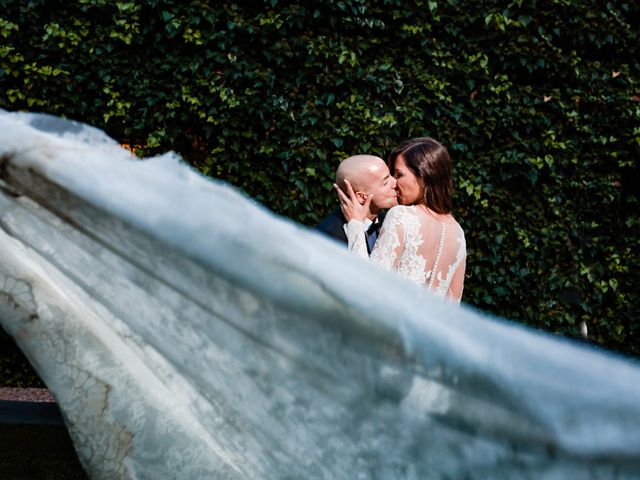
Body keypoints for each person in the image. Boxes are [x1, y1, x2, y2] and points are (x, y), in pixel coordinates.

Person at [336, 138, 466, 302]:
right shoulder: (458, 234)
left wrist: (355, 223)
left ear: (423, 175)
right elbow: (453, 305)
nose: (395, 183)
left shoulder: (401, 216)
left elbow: (367, 282)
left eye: (399, 174)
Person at [316, 154, 398, 253]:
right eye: (385, 182)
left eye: (390, 175)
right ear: (361, 197)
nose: (395, 183)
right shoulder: (329, 236)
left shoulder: (389, 220)